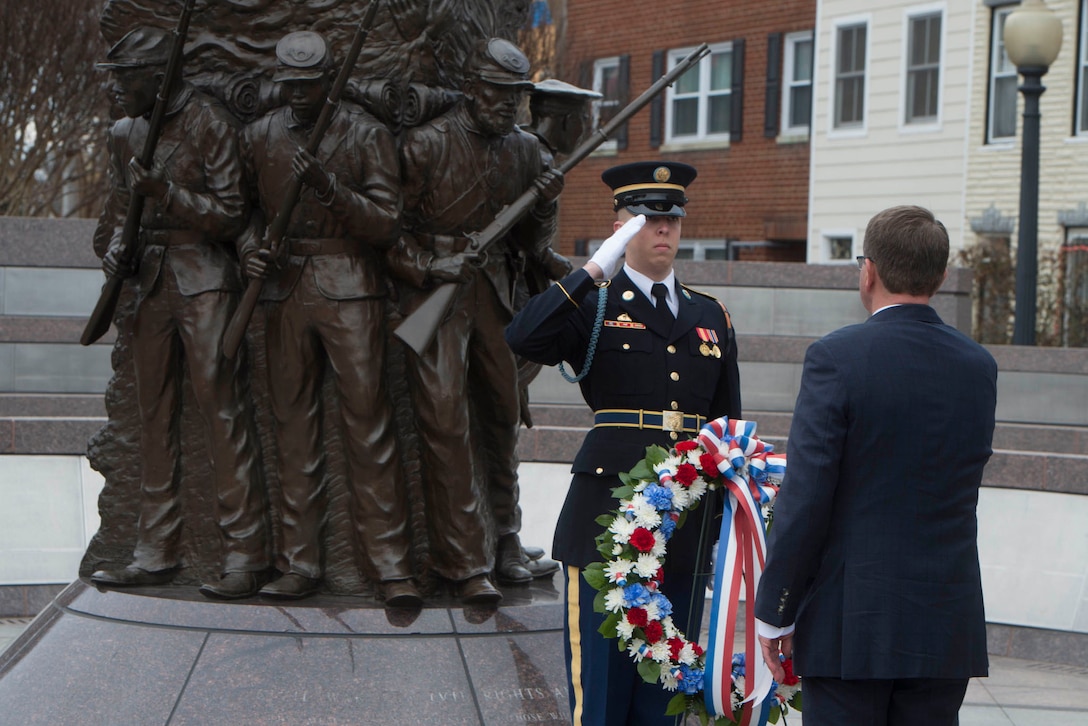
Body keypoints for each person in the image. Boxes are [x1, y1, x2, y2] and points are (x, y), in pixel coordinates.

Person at [505, 161, 742, 725]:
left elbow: (725, 425)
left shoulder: (710, 315)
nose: (663, 229)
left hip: (684, 522)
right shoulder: (594, 304)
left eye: (672, 219)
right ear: (621, 226)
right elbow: (523, 336)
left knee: (666, 689)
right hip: (604, 518)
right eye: (646, 218)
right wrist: (592, 268)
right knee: (602, 688)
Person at [754, 205, 998, 725]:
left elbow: (808, 494)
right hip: (944, 621)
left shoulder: (837, 358)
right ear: (940, 275)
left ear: (869, 271)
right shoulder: (979, 367)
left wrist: (777, 609)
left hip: (853, 621)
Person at [238, 31, 419, 606]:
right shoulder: (259, 135)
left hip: (351, 290)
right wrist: (249, 248)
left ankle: (391, 568)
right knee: (293, 430)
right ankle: (299, 563)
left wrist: (329, 188)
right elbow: (237, 213)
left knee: (370, 429)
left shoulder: (365, 133)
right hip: (283, 291)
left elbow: (386, 224)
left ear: (330, 80)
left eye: (307, 83)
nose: (295, 93)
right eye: (287, 83)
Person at [89, 27, 269, 600]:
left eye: (125, 78)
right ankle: (153, 550)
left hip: (204, 278)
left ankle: (245, 552)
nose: (116, 89)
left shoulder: (209, 122)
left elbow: (234, 215)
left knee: (223, 414)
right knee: (153, 418)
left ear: (158, 77)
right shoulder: (125, 134)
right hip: (149, 284)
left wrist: (167, 193)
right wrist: (120, 244)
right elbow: (120, 213)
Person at [389, 38, 563, 603]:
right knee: (444, 422)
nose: (507, 105)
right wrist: (430, 264)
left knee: (501, 414)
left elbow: (535, 244)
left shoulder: (527, 153)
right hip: (435, 295)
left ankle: (506, 541)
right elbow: (386, 233)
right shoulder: (423, 146)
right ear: (472, 87)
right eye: (497, 93)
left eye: (515, 96)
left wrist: (544, 204)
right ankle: (465, 561)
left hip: (492, 295)